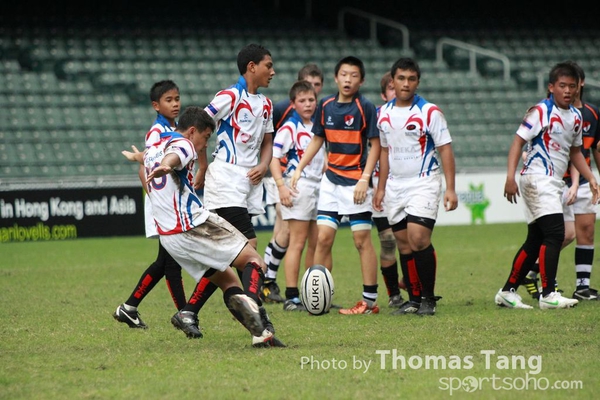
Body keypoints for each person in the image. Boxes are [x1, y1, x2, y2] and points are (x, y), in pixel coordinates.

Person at [122, 106, 285, 347]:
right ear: (192, 131)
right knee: (255, 262)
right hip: (193, 225)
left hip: (170, 238)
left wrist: (139, 158)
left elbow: (149, 157)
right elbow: (177, 155)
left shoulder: (155, 146)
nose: (205, 145)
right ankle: (252, 303)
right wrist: (167, 165)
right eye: (206, 137)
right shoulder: (184, 144)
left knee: (228, 282)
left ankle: (261, 335)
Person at [179, 44, 278, 342]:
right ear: (251, 67)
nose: (273, 72)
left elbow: (268, 143)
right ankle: (255, 313)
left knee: (226, 256)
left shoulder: (266, 104)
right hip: (225, 179)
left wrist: (264, 165)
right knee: (249, 249)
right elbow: (198, 127)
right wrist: (203, 166)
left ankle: (189, 311)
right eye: (268, 65)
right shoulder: (229, 97)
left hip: (249, 183)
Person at [495, 61, 600, 310]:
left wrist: (591, 177)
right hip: (537, 178)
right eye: (562, 85)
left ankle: (507, 292)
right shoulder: (541, 110)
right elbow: (517, 142)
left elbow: (575, 152)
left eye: (571, 86)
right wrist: (510, 177)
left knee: (536, 239)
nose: (567, 90)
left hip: (552, 181)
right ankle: (549, 293)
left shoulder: (576, 117)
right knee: (556, 234)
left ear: (578, 88)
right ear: (551, 87)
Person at [290, 55, 381, 315]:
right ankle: (318, 298)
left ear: (361, 80)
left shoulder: (365, 107)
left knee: (361, 241)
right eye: (344, 74)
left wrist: (364, 178)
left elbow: (375, 145)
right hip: (330, 182)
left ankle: (369, 302)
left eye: (354, 75)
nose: (348, 79)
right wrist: (299, 168)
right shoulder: (326, 105)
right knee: (323, 239)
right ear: (336, 78)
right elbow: (318, 140)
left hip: (356, 183)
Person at [373, 58, 458, 316]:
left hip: (424, 182)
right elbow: (384, 152)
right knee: (403, 244)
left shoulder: (430, 112)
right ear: (393, 81)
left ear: (417, 82)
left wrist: (450, 188)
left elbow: (445, 149)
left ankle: (429, 299)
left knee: (419, 238)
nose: (406, 84)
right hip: (394, 186)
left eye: (411, 79)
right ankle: (414, 299)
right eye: (401, 78)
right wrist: (381, 188)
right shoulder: (382, 114)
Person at [113, 80, 188, 329]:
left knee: (165, 262)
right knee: (171, 263)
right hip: (163, 205)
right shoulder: (156, 131)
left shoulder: (174, 128)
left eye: (177, 98)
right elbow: (146, 165)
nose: (175, 104)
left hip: (169, 205)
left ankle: (129, 308)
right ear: (156, 105)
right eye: (169, 100)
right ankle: (185, 315)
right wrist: (155, 198)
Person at [261, 63, 325, 303]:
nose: (308, 103)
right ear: (294, 102)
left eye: (312, 98)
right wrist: (280, 185)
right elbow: (272, 152)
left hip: (317, 186)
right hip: (293, 184)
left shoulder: (319, 123)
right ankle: (286, 292)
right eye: (303, 100)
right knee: (290, 237)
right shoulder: (287, 120)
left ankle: (310, 291)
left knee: (313, 241)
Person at [373, 71, 406, 309]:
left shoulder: (417, 114)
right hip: (381, 185)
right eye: (391, 88)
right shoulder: (376, 117)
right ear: (384, 95)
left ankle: (416, 286)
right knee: (388, 240)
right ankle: (394, 294)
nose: (396, 92)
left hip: (409, 185)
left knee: (413, 239)